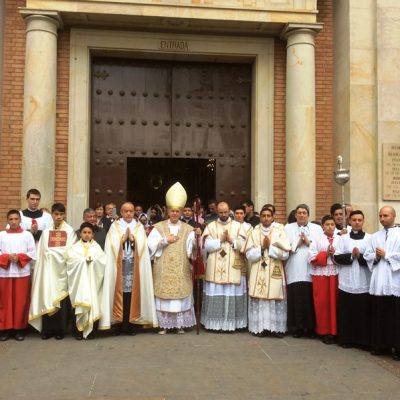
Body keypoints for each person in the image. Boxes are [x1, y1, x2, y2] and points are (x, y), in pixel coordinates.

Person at [148, 183, 201, 334]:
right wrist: (165, 241)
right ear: (168, 211)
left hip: (181, 268)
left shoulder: (188, 229)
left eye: (178, 211)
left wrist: (197, 239)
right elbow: (150, 246)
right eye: (172, 211)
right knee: (164, 298)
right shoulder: (158, 227)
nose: (175, 214)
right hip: (163, 269)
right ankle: (164, 326)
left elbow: (192, 251)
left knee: (179, 299)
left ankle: (179, 325)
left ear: (181, 212)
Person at [101, 202, 157, 335]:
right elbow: (110, 245)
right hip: (119, 266)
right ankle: (118, 324)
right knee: (120, 294)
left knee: (131, 295)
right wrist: (122, 239)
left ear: (134, 212)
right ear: (120, 212)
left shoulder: (138, 226)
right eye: (125, 211)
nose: (128, 214)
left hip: (133, 265)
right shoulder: (115, 226)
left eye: (131, 211)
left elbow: (143, 245)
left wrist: (133, 241)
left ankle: (131, 324)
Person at [29, 203, 76, 340]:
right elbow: (42, 251)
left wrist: (54, 254)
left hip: (61, 273)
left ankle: (60, 330)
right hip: (48, 272)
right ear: (52, 215)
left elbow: (70, 251)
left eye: (61, 214)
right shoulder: (46, 232)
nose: (59, 217)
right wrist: (49, 253)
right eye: (56, 214)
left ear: (64, 215)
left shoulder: (69, 231)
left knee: (60, 301)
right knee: (47, 297)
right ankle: (47, 329)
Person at [201, 201, 247, 331]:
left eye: (226, 212)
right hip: (215, 265)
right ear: (217, 212)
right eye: (221, 212)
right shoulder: (210, 226)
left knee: (230, 291)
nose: (223, 214)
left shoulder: (238, 226)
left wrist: (231, 240)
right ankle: (214, 324)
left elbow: (244, 244)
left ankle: (231, 324)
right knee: (217, 291)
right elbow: (206, 245)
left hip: (233, 265)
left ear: (229, 211)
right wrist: (220, 240)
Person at [245, 206, 290, 337]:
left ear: (272, 217)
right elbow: (248, 255)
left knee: (275, 297)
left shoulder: (280, 232)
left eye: (268, 216)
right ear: (260, 217)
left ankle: (276, 329)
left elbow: (286, 254)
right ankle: (261, 328)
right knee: (260, 298)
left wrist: (270, 248)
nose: (266, 218)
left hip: (274, 269)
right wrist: (261, 248)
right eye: (263, 216)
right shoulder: (254, 232)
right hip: (258, 269)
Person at [364, 206, 400, 360]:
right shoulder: (375, 236)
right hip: (379, 279)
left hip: (395, 280)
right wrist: (376, 257)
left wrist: (387, 255)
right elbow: (367, 254)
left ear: (393, 216)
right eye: (380, 216)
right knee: (380, 314)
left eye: (385, 215)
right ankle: (380, 345)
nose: (382, 218)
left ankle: (397, 347)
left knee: (396, 316)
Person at [333, 210, 371, 348]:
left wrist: (360, 256)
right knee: (347, 312)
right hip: (347, 281)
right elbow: (336, 257)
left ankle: (363, 341)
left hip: (363, 281)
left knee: (362, 312)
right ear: (349, 221)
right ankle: (346, 339)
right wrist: (351, 256)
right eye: (354, 220)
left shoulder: (369, 238)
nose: (356, 222)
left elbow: (373, 259)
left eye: (359, 220)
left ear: (363, 221)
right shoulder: (343, 239)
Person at [284, 204, 323, 337]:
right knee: (296, 299)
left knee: (309, 300)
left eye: (304, 213)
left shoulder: (317, 229)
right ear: (295, 215)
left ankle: (311, 328)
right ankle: (297, 328)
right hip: (294, 268)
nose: (301, 215)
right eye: (299, 213)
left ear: (308, 215)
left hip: (310, 269)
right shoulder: (287, 228)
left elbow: (321, 246)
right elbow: (284, 246)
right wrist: (297, 244)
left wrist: (308, 242)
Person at [0, 210, 36, 341]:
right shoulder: (1, 235)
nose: (14, 222)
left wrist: (19, 257)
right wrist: (7, 257)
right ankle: (5, 329)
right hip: (4, 273)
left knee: (20, 301)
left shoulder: (27, 235)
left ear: (20, 220)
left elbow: (32, 253)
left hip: (22, 273)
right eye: (11, 219)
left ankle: (19, 329)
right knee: (5, 301)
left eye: (16, 219)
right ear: (7, 220)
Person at [67, 222, 106, 339]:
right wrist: (83, 261)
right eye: (84, 232)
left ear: (93, 234)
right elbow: (70, 262)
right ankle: (78, 332)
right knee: (79, 303)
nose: (87, 235)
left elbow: (102, 261)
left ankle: (91, 332)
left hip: (93, 282)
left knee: (93, 303)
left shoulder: (97, 247)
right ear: (80, 234)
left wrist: (93, 261)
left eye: (89, 233)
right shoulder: (74, 248)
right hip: (79, 284)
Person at [308, 215, 340, 344]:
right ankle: (324, 331)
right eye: (327, 224)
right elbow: (311, 257)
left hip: (335, 274)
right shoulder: (317, 239)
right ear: (322, 226)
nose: (330, 226)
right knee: (322, 303)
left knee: (335, 303)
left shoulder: (340, 239)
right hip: (321, 275)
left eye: (332, 224)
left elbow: (344, 254)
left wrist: (335, 254)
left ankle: (335, 331)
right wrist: (325, 254)